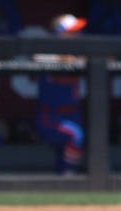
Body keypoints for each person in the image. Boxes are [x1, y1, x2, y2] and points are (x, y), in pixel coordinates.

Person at [36, 14, 87, 175]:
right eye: (72, 32)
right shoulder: (47, 52)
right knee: (75, 136)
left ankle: (64, 182)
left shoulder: (83, 52)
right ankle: (68, 176)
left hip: (73, 115)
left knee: (70, 148)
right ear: (60, 34)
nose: (77, 35)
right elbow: (38, 58)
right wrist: (66, 59)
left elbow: (108, 57)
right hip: (51, 116)